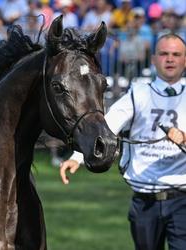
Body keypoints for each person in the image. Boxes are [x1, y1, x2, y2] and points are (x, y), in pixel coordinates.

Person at [59, 33, 186, 250]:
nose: (170, 59)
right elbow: (108, 124)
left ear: (185, 60)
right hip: (145, 200)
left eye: (176, 54)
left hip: (182, 200)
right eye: (164, 54)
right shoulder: (138, 93)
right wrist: (77, 157)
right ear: (153, 59)